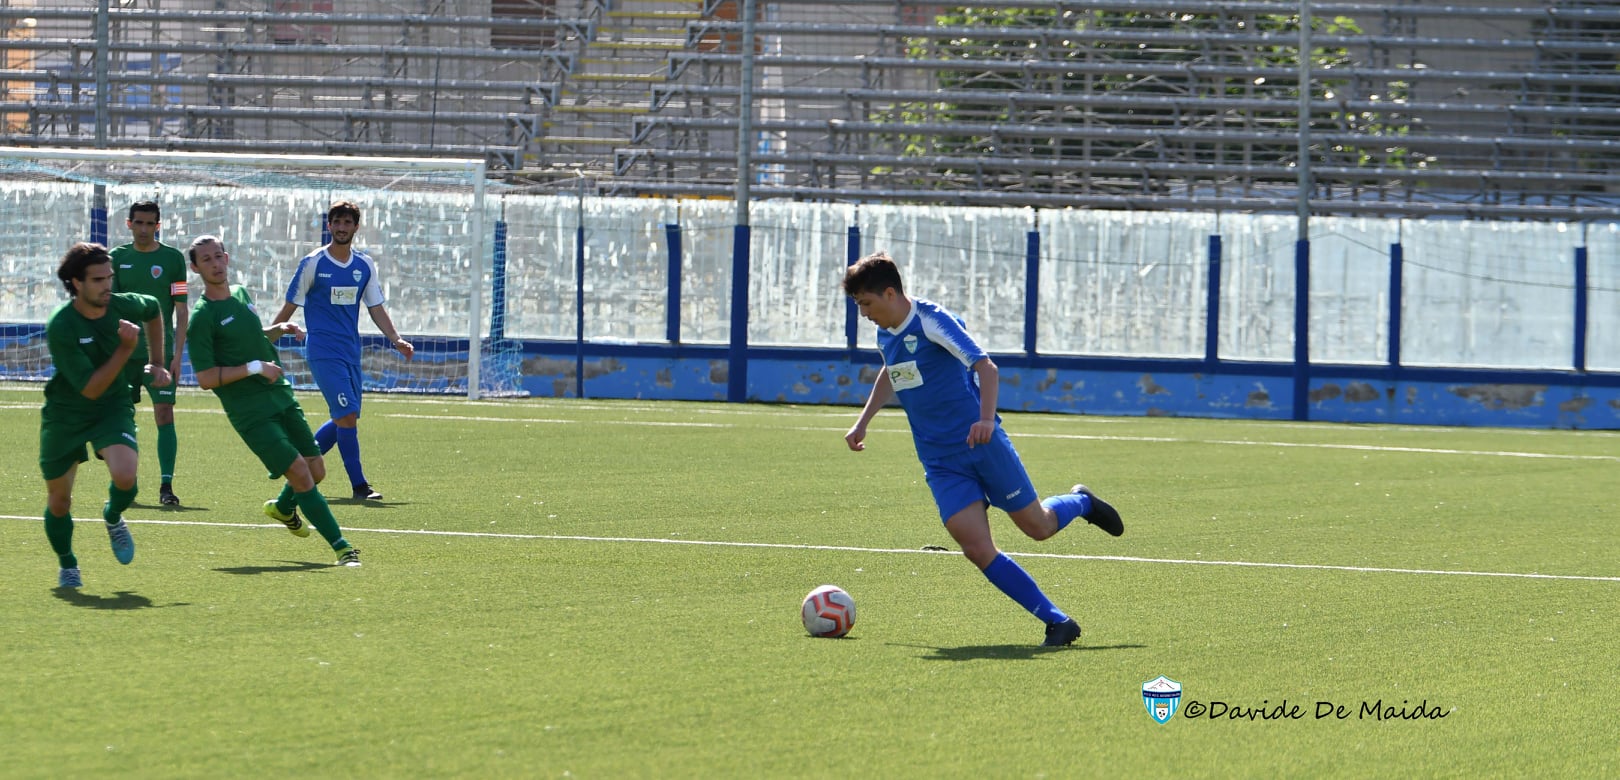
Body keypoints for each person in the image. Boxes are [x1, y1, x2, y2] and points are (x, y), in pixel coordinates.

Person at [841, 251, 1124, 647]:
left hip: (981, 444)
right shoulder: (885, 334)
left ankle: (1082, 502)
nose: (864, 313)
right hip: (939, 459)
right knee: (975, 547)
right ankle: (1057, 621)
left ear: (890, 293)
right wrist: (863, 420)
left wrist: (986, 420)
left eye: (866, 303)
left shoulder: (932, 320)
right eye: (859, 306)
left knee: (1038, 527)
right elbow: (893, 371)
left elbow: (985, 367)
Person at [186, 235, 362, 567]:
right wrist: (254, 368)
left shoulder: (240, 294)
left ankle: (283, 508)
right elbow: (205, 378)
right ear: (195, 268)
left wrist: (277, 329)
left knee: (316, 469)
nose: (215, 264)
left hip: (279, 395)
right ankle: (343, 548)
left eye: (218, 256)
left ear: (227, 258)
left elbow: (252, 337)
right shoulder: (202, 317)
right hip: (250, 412)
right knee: (300, 472)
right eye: (206, 259)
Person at [40, 242, 173, 589]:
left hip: (111, 405)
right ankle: (68, 563)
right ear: (76, 283)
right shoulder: (62, 325)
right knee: (59, 501)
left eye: (109, 277)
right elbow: (90, 388)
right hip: (66, 413)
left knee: (126, 476)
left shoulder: (121, 305)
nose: (107, 286)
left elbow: (154, 308)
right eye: (98, 280)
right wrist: (127, 349)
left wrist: (158, 363)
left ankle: (112, 516)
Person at [271, 201, 413, 502]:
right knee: (346, 415)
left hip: (350, 351)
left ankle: (298, 463)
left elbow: (376, 307)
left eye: (347, 222)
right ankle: (360, 486)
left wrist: (396, 339)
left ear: (356, 227)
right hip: (322, 350)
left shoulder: (364, 265)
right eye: (336, 222)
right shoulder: (313, 263)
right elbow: (291, 304)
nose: (341, 227)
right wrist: (268, 337)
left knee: (344, 419)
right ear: (329, 226)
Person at [110, 200, 190, 507]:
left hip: (160, 353)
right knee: (121, 419)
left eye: (149, 224)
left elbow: (181, 310)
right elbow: (110, 306)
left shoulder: (173, 259)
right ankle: (124, 484)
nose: (144, 229)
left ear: (158, 226)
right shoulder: (117, 258)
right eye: (138, 223)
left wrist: (177, 355)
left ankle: (166, 486)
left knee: (164, 413)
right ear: (129, 224)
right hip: (124, 353)